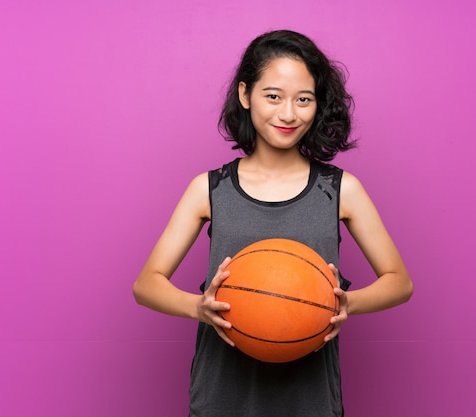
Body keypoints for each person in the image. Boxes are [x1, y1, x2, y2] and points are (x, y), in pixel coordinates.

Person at [133, 29, 413, 417]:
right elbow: (146, 284)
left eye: (304, 99)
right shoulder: (209, 190)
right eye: (273, 96)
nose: (288, 113)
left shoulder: (341, 190)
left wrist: (348, 303)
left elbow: (400, 281)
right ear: (246, 95)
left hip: (311, 400)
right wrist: (199, 307)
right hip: (221, 399)